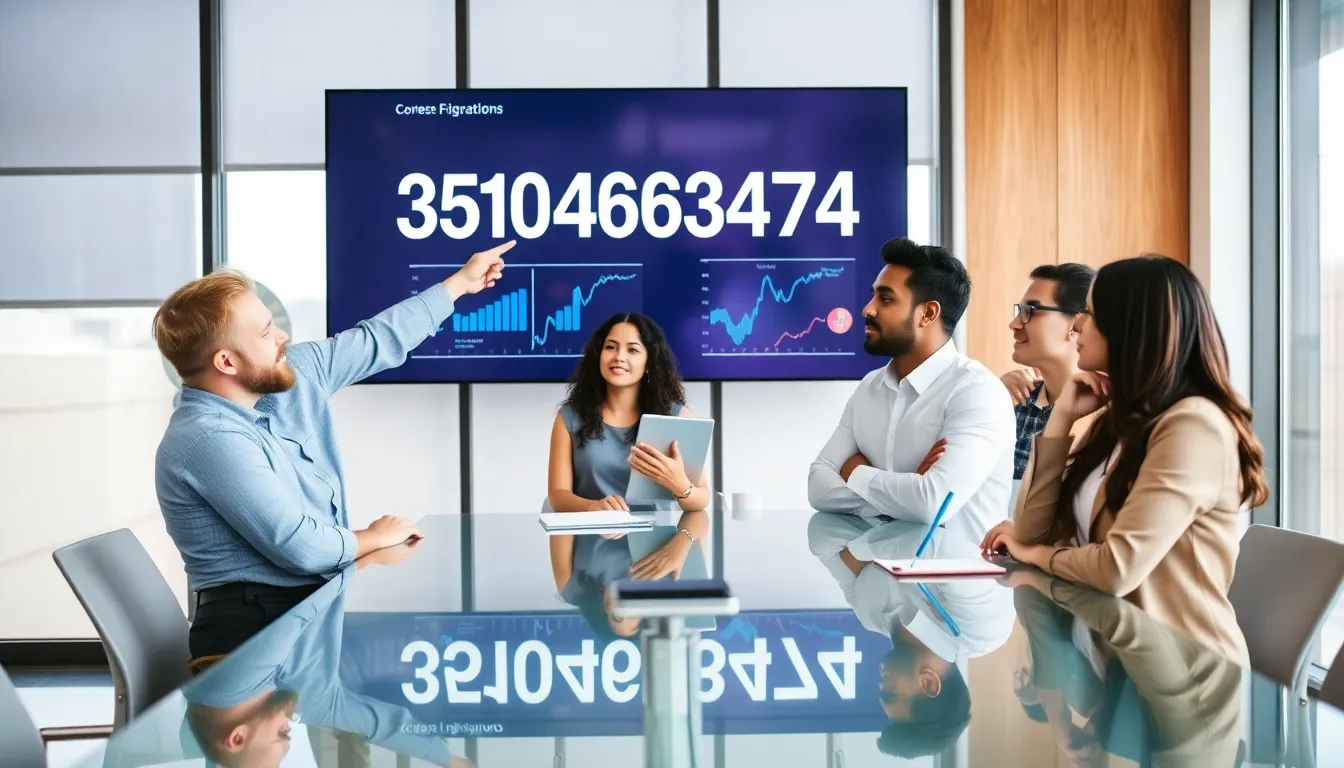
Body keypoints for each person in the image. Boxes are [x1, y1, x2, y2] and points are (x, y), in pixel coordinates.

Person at [154, 240, 516, 667]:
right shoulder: (208, 438)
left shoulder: (291, 375)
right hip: (251, 636)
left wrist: (460, 283)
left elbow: (378, 339)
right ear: (227, 363)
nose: (283, 337)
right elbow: (299, 546)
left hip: (310, 603)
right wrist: (374, 537)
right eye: (266, 333)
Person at [982, 255, 1268, 665]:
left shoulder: (1192, 425)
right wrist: (1061, 419)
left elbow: (1115, 568)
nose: (1078, 326)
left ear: (1130, 328)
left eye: (1091, 314)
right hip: (1118, 658)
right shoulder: (1119, 421)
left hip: (1185, 673)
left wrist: (1033, 556)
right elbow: (1030, 530)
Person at [808, 237, 1017, 542]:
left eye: (886, 299)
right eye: (873, 296)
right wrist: (903, 495)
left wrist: (854, 472)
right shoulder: (869, 387)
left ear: (928, 314)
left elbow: (932, 503)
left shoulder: (976, 392)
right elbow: (818, 486)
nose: (867, 309)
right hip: (880, 563)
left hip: (958, 571)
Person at [547, 313, 710, 630]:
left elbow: (700, 500)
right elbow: (557, 495)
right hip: (590, 531)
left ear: (648, 362)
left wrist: (679, 484)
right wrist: (593, 506)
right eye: (611, 347)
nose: (619, 357)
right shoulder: (569, 417)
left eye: (632, 349)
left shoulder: (676, 416)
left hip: (659, 532)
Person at [807, 512, 1014, 759]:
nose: (880, 687)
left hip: (872, 492)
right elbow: (932, 546)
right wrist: (863, 551)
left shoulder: (870, 616)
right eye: (890, 694)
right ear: (928, 683)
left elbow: (820, 532)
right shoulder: (983, 630)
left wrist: (892, 549)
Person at [999, 263, 1097, 483]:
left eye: (1030, 312)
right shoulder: (1016, 400)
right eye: (1020, 311)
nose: (1014, 324)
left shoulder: (1105, 415)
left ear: (1076, 325)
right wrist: (991, 399)